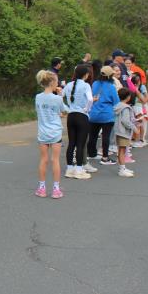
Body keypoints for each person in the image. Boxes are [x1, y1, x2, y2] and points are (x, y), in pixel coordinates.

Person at [35, 70, 65, 198]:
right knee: (55, 160)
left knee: (43, 159)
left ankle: (41, 188)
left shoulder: (38, 97)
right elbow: (63, 110)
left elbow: (40, 111)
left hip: (43, 132)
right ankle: (56, 189)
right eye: (56, 81)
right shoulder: (57, 98)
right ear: (52, 82)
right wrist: (61, 95)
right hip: (55, 132)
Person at [61, 64, 93, 181]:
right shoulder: (86, 85)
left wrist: (67, 108)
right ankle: (79, 170)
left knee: (71, 143)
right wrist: (86, 109)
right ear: (86, 74)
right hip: (82, 116)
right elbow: (90, 99)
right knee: (80, 144)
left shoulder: (69, 85)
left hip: (71, 116)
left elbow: (60, 97)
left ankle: (69, 169)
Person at [89, 65, 119, 168]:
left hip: (93, 113)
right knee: (106, 136)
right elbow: (116, 101)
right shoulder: (111, 86)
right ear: (110, 76)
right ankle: (105, 157)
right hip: (106, 114)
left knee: (93, 135)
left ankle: (91, 153)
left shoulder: (94, 84)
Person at [113, 88, 136, 177]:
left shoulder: (118, 106)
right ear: (128, 97)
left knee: (121, 150)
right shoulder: (125, 108)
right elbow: (125, 121)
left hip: (118, 130)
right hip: (123, 131)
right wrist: (134, 128)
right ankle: (122, 169)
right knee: (122, 151)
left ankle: (122, 167)